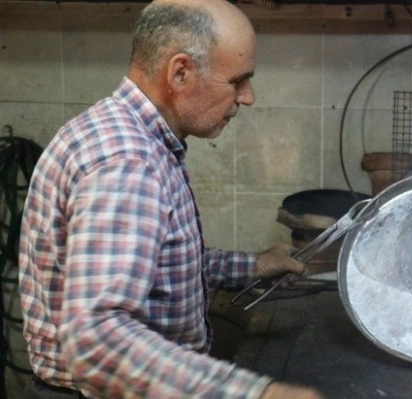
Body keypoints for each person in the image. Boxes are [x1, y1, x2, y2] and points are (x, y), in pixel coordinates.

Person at [18, 0, 323, 398]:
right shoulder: (128, 162)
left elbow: (157, 264)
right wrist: (256, 394)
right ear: (180, 73)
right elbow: (95, 340)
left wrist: (252, 265)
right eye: (237, 80)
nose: (247, 97)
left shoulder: (128, 135)